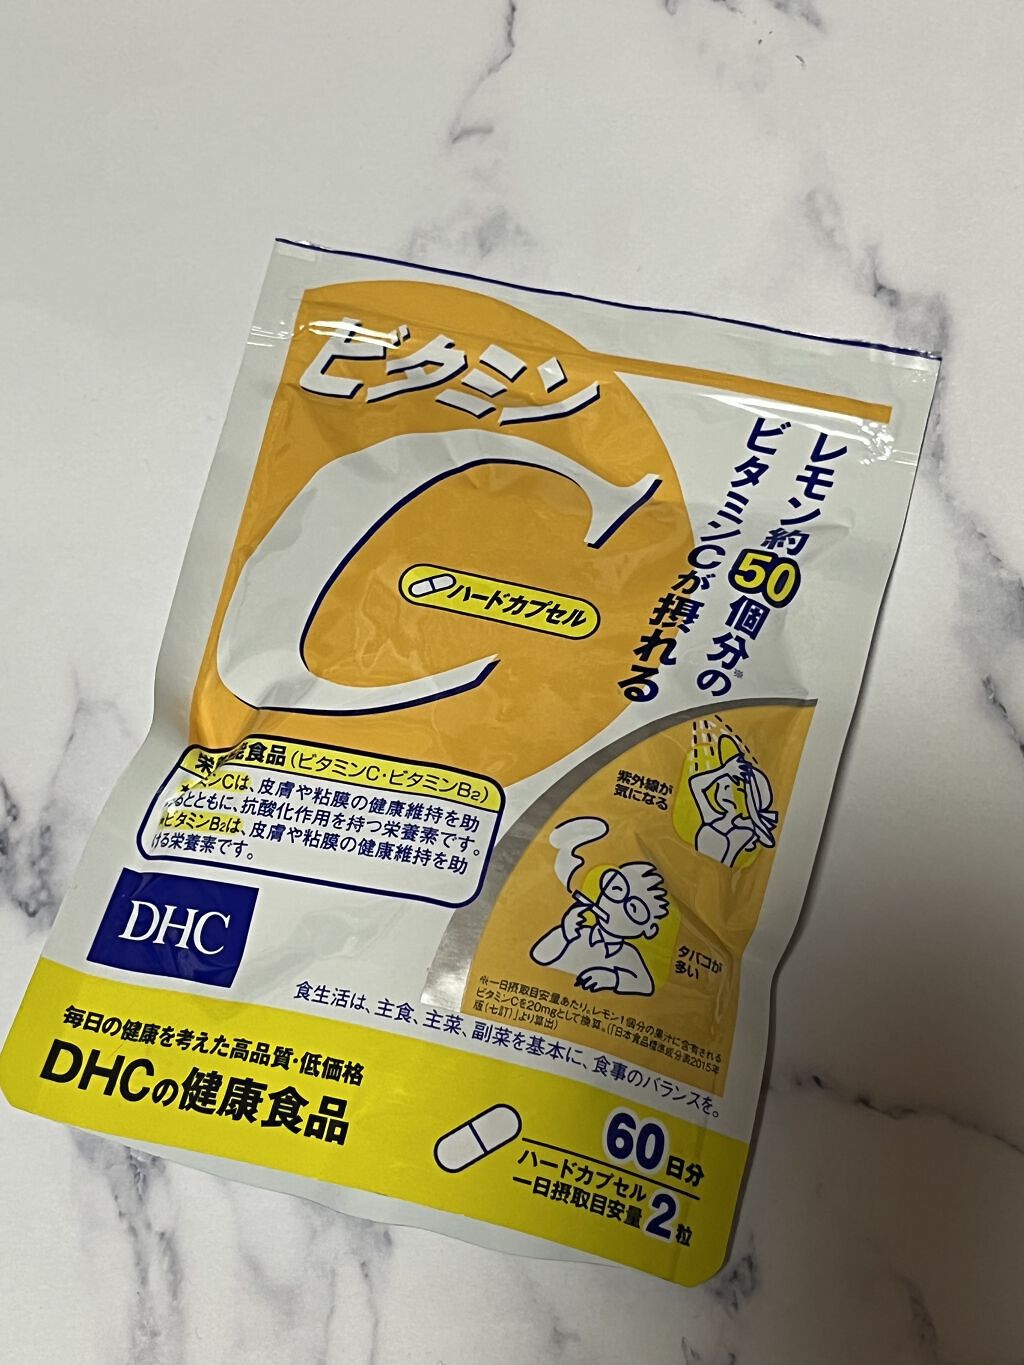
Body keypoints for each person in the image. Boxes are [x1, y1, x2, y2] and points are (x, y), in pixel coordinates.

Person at [530, 861, 669, 996]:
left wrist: (611, 979)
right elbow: (539, 955)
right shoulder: (577, 933)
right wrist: (565, 934)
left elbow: (645, 985)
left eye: (634, 909)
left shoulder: (628, 954)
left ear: (650, 929)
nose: (617, 905)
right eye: (616, 889)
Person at [689, 750, 778, 868]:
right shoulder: (712, 817)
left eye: (738, 791)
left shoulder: (746, 831)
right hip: (693, 870)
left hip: (713, 876)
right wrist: (724, 770)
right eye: (725, 786)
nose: (727, 793)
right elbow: (696, 784)